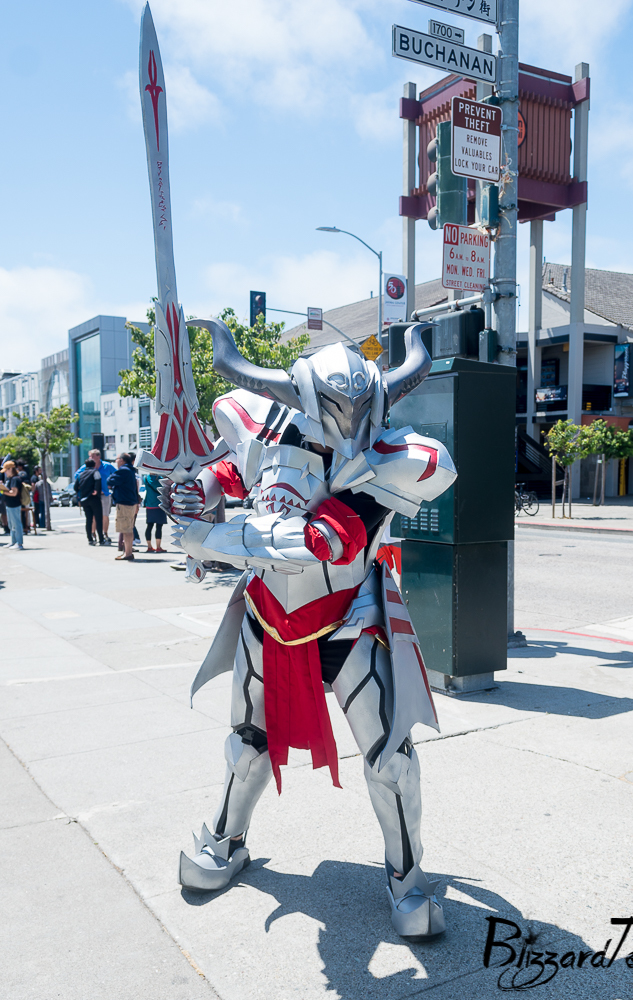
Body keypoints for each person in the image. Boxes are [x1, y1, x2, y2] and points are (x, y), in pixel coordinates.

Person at [166, 321, 457, 939]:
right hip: (269, 614)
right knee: (247, 743)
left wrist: (214, 537)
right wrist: (198, 490)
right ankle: (225, 839)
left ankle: (406, 879)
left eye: (362, 413)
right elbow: (233, 473)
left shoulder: (390, 450)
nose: (349, 426)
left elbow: (330, 537)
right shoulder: (266, 426)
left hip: (351, 616)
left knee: (391, 759)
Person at [74, 450, 115, 544]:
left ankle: (104, 534)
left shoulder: (107, 466)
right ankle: (95, 535)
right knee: (93, 518)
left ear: (98, 456)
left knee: (104, 515)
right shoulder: (86, 467)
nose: (90, 458)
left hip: (104, 494)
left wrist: (111, 484)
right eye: (90, 456)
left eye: (92, 456)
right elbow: (76, 476)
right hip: (93, 496)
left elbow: (116, 474)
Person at [108, 453, 140, 560]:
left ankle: (128, 554)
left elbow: (110, 481)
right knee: (128, 529)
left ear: (122, 460)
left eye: (117, 459)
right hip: (131, 503)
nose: (116, 461)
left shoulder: (123, 470)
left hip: (124, 503)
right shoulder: (131, 470)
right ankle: (127, 552)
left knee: (126, 530)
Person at [76, 459, 105, 545]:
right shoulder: (95, 472)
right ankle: (101, 539)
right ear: (94, 465)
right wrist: (96, 490)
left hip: (84, 500)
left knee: (88, 520)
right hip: (94, 498)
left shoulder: (80, 474)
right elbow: (98, 481)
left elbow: (75, 487)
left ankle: (90, 539)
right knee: (98, 519)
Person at [0, 460, 25, 549]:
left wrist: (2, 491)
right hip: (9, 504)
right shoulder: (10, 479)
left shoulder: (15, 479)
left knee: (16, 524)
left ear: (10, 469)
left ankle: (19, 543)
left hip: (14, 504)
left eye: (6, 470)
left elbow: (14, 493)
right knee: (11, 525)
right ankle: (13, 542)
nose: (5, 473)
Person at [142, 473, 167, 552]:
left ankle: (149, 546)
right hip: (159, 505)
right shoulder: (160, 479)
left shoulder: (145, 478)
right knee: (159, 527)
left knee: (149, 526)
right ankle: (158, 547)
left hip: (149, 504)